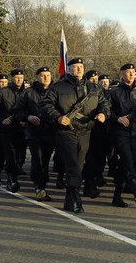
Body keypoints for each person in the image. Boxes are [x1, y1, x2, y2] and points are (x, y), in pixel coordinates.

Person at [41, 58, 109, 213]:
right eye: (75, 67)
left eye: (81, 67)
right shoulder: (57, 87)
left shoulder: (93, 88)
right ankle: (76, 197)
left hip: (86, 130)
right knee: (72, 164)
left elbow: (104, 104)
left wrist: (103, 113)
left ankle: (69, 198)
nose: (78, 69)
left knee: (78, 164)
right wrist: (58, 117)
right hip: (66, 131)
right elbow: (46, 105)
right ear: (68, 69)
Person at [108, 63, 136, 207]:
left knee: (126, 163)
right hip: (120, 132)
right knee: (127, 159)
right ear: (122, 74)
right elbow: (106, 110)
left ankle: (117, 195)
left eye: (133, 72)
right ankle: (135, 186)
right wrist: (118, 118)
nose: (131, 75)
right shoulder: (114, 92)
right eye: (128, 72)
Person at [14, 66, 55, 201]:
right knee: (37, 159)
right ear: (37, 77)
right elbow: (17, 111)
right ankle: (39, 187)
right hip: (34, 132)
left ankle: (42, 183)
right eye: (42, 75)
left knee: (46, 160)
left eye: (48, 75)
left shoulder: (55, 91)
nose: (45, 78)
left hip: (50, 131)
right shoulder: (28, 92)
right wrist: (28, 117)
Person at [0, 68, 27, 192]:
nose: (19, 80)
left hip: (21, 128)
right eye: (17, 77)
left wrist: (24, 119)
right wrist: (2, 120)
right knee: (3, 153)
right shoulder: (3, 92)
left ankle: (14, 175)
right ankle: (4, 177)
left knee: (18, 154)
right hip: (5, 128)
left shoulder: (27, 92)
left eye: (21, 78)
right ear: (12, 78)